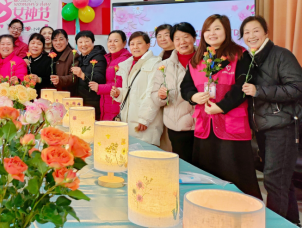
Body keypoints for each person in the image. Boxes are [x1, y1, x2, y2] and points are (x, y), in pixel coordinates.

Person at [180, 15, 261, 199]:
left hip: (232, 127)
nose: (212, 33)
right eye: (208, 30)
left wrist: (221, 107)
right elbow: (185, 87)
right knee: (206, 176)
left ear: (226, 31)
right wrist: (193, 96)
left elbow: (242, 87)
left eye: (217, 29)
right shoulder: (197, 59)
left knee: (236, 175)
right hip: (205, 126)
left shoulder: (240, 55)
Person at [240, 15, 302, 224]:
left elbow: (297, 88)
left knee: (274, 181)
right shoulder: (251, 59)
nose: (251, 36)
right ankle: (292, 225)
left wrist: (259, 91)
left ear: (266, 32)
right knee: (282, 181)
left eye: (256, 30)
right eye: (246, 32)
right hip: (264, 128)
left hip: (282, 127)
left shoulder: (281, 55)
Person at [150, 23, 196, 162]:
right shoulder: (164, 66)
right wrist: (161, 96)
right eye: (177, 38)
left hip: (203, 126)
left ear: (194, 38)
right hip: (177, 126)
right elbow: (154, 95)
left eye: (186, 37)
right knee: (183, 166)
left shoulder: (206, 62)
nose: (182, 42)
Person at [111, 31, 163, 145]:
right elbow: (132, 90)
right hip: (128, 118)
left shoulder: (155, 63)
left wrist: (145, 119)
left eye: (139, 43)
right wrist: (119, 93)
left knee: (144, 151)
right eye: (132, 44)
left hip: (144, 121)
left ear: (148, 45)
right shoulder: (128, 64)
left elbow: (152, 93)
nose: (135, 47)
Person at [90, 30, 131, 120]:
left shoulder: (126, 60)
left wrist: (99, 88)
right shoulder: (107, 58)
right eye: (110, 41)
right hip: (105, 104)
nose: (112, 44)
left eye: (116, 41)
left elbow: (121, 84)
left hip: (117, 105)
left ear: (124, 43)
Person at [71, 30, 107, 120]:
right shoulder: (80, 58)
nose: (83, 44)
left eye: (87, 41)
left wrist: (83, 75)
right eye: (80, 42)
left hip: (93, 102)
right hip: (81, 100)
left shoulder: (99, 57)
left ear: (93, 42)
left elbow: (100, 79)